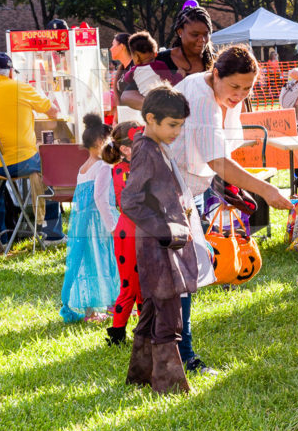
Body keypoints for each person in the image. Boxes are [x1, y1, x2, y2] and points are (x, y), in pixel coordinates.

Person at [169, 45, 291, 373]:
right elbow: (216, 159)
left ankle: (175, 350)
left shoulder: (222, 96)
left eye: (248, 87)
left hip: (189, 189)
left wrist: (230, 186)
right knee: (182, 277)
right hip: (167, 192)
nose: (240, 94)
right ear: (216, 74)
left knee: (185, 274)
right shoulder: (201, 95)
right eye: (234, 87)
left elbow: (221, 154)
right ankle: (183, 357)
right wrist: (266, 189)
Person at [121, 85, 206, 394]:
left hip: (163, 243)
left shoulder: (155, 146)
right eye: (172, 125)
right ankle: (169, 384)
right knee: (168, 312)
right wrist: (165, 230)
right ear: (151, 118)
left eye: (181, 126)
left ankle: (141, 374)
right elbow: (130, 201)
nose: (177, 132)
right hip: (158, 245)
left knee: (155, 309)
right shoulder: (146, 149)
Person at [0, 52, 65, 247]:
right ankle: (52, 235)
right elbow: (53, 111)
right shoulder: (21, 88)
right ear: (11, 73)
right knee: (48, 172)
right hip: (21, 163)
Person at [59, 114, 120, 323]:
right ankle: (114, 303)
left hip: (83, 224)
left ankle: (91, 311)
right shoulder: (103, 167)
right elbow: (100, 198)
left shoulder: (82, 168)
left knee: (88, 263)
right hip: (100, 223)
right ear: (100, 143)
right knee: (107, 261)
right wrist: (112, 224)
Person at [99, 121, 145, 346]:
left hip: (143, 231)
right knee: (129, 285)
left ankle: (144, 328)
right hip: (130, 233)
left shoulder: (142, 165)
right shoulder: (122, 170)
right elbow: (128, 204)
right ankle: (116, 334)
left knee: (144, 285)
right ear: (126, 149)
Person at [120, 5, 216, 110]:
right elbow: (127, 96)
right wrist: (162, 109)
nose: (202, 39)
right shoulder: (159, 61)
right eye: (195, 34)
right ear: (180, 32)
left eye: (206, 34)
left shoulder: (215, 63)